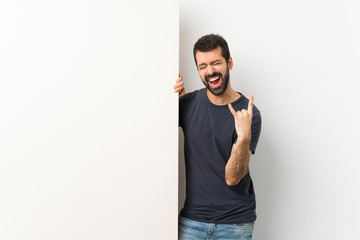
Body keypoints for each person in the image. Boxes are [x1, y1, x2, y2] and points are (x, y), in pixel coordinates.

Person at [173, 34, 262, 240]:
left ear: (229, 63)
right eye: (202, 66)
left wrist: (243, 138)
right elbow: (152, 130)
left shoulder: (249, 114)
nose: (210, 71)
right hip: (191, 223)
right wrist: (169, 96)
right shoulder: (188, 104)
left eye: (216, 63)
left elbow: (233, 177)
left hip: (234, 225)